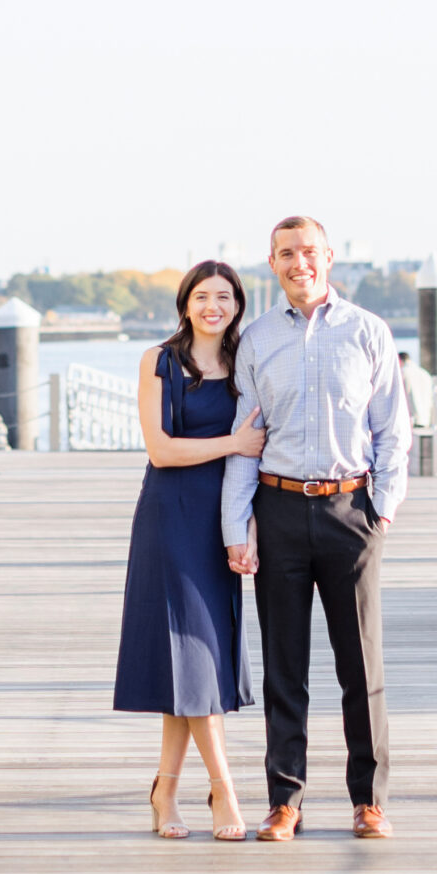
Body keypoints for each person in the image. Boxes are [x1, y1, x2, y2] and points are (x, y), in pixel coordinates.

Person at [222, 215, 410, 841]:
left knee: (361, 663)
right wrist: (236, 528)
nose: (298, 263)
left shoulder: (368, 332)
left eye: (308, 252)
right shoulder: (255, 342)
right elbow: (244, 444)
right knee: (284, 664)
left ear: (329, 257)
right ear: (272, 264)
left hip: (349, 511)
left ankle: (369, 801)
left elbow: (392, 430)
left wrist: (381, 508)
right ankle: (285, 801)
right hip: (276, 512)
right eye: (285, 254)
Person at [113, 260, 265, 840]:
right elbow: (160, 450)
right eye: (202, 296)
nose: (213, 307)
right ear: (185, 303)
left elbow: (254, 457)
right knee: (195, 660)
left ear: (237, 305)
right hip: (169, 518)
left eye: (224, 297)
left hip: (220, 521)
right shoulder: (159, 361)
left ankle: (165, 790)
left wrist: (247, 527)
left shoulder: (243, 363)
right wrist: (233, 440)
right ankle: (224, 792)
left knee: (195, 661)